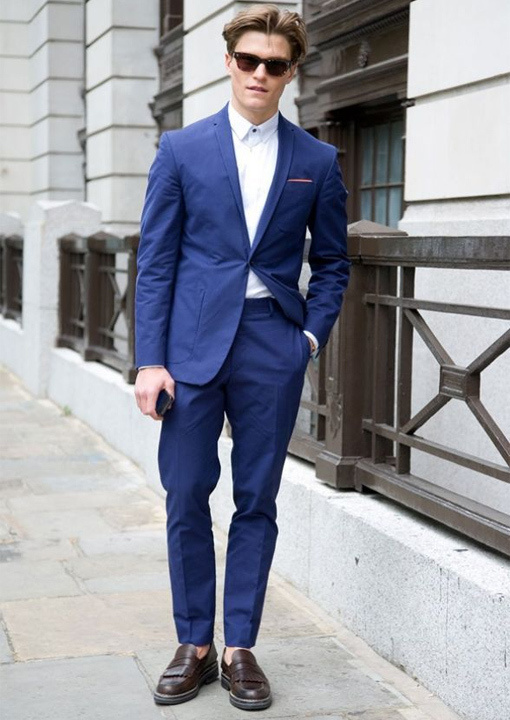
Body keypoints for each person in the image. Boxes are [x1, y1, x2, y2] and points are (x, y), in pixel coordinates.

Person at [134, 3, 349, 711]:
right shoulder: (181, 149)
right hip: (191, 350)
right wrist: (149, 359)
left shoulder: (316, 160)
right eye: (250, 60)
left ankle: (239, 647)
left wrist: (307, 340)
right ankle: (192, 643)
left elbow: (335, 264)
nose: (261, 73)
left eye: (275, 64)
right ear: (230, 63)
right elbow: (157, 263)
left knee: (257, 500)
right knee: (186, 493)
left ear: (291, 73)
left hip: (272, 344)